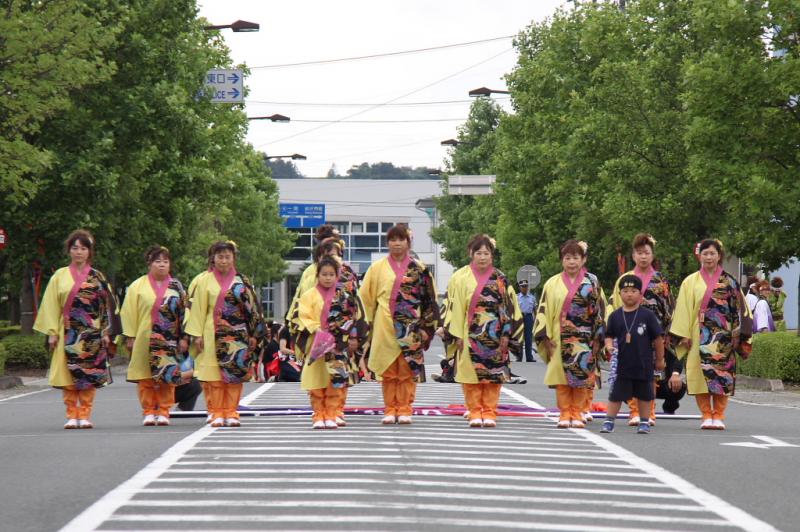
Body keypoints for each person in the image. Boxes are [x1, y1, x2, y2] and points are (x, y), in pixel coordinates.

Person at [33, 229, 120, 429]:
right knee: (68, 376)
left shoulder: (97, 276)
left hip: (92, 333)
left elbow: (108, 305)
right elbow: (51, 305)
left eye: (83, 248)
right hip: (67, 332)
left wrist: (107, 332)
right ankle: (72, 414)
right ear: (69, 251)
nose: (79, 252)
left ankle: (85, 413)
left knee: (88, 376)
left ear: (90, 252)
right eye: (75, 248)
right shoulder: (59, 276)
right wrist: (52, 333)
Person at [359, 224, 440, 425]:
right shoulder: (376, 268)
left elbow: (429, 300)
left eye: (401, 239)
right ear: (387, 243)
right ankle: (389, 408)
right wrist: (364, 328)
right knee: (388, 370)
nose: (397, 243)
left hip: (411, 327)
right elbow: (366, 299)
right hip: (384, 325)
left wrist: (425, 327)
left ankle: (404, 408)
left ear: (408, 242)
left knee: (407, 370)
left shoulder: (419, 269)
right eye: (393, 240)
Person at [670, 239, 753, 430]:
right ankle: (706, 414)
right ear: (699, 255)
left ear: (719, 256)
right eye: (705, 253)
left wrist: (738, 334)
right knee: (700, 376)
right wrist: (683, 334)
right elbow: (683, 308)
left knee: (722, 376)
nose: (708, 257)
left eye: (712, 253)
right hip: (697, 333)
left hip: (724, 336)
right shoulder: (690, 281)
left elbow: (740, 309)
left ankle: (719, 415)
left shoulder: (730, 281)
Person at [185, 241, 263, 428]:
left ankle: (231, 411)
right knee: (214, 376)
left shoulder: (242, 281)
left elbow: (252, 309)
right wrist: (197, 335)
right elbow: (198, 310)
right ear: (213, 259)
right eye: (220, 257)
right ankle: (218, 412)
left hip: (238, 334)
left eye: (227, 257)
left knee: (234, 375)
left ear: (233, 258)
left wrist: (254, 334)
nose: (224, 261)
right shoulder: (204, 281)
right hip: (212, 332)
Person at [446, 235, 519, 428]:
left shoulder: (500, 278)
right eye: (478, 253)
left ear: (492, 255)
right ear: (471, 253)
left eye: (486, 253)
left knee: (493, 376)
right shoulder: (461, 278)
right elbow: (457, 308)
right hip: (470, 333)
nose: (482, 257)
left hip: (496, 335)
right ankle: (475, 410)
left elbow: (508, 307)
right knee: (471, 376)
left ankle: (489, 411)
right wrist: (458, 336)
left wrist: (506, 334)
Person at [610, 233, 683, 424]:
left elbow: (669, 308)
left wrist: (666, 333)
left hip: (653, 334)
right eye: (639, 253)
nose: (643, 256)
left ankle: (648, 412)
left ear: (652, 255)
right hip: (628, 333)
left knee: (649, 375)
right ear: (633, 255)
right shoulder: (625, 279)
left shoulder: (661, 281)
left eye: (646, 253)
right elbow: (616, 306)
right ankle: (634, 410)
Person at [534, 240, 606, 429]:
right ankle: (565, 412)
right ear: (561, 261)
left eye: (576, 257)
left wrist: (599, 337)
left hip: (585, 337)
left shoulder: (592, 282)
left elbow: (599, 310)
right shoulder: (552, 283)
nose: (572, 262)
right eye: (567, 258)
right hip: (558, 337)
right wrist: (545, 337)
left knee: (581, 377)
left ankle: (578, 412)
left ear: (583, 259)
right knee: (562, 379)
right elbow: (544, 310)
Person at [121, 246, 189, 426]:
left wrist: (184, 337)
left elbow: (185, 313)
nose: (162, 265)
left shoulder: (177, 287)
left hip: (169, 339)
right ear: (149, 264)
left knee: (167, 377)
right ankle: (149, 411)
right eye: (157, 261)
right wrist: (130, 336)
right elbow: (128, 312)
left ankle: (164, 410)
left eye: (165, 262)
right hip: (144, 338)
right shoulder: (137, 286)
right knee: (145, 377)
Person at [297, 256, 366, 429]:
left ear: (337, 276)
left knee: (336, 379)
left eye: (331, 274)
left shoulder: (344, 296)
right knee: (317, 380)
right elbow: (304, 315)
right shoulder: (308, 295)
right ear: (317, 275)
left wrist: (350, 335)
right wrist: (315, 328)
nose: (327, 278)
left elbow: (353, 316)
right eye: (324, 274)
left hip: (337, 344)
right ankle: (319, 414)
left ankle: (332, 413)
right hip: (317, 343)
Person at [601, 275, 665, 434]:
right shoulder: (615, 316)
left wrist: (660, 359)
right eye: (625, 291)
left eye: (634, 291)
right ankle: (609, 421)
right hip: (623, 363)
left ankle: (644, 421)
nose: (629, 294)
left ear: (640, 294)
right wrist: (609, 346)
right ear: (620, 294)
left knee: (644, 394)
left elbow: (658, 339)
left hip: (644, 363)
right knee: (616, 394)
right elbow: (609, 335)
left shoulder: (647, 315)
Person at [517, 280, 537, 362]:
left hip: (529, 317)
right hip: (519, 318)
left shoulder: (532, 298)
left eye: (526, 286)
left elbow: (535, 310)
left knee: (528, 338)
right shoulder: (516, 297)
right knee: (519, 338)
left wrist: (536, 320)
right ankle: (519, 357)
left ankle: (529, 357)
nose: (524, 288)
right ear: (520, 287)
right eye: (523, 286)